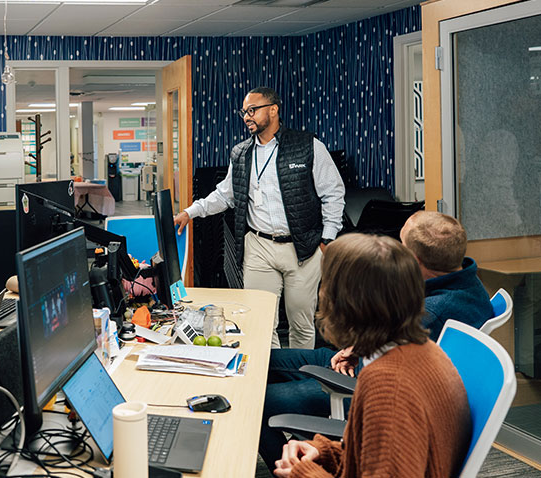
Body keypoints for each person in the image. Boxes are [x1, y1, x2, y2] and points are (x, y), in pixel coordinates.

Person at [259, 211, 492, 467]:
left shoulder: (427, 319)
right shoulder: (466, 281)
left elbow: (385, 459)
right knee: (258, 364)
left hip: (357, 380)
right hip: (366, 366)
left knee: (254, 402)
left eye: (400, 246)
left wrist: (301, 471)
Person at [174, 86, 345, 349]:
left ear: (273, 109)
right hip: (259, 246)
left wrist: (327, 239)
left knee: (301, 322)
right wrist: (190, 212)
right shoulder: (241, 153)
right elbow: (225, 196)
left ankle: (297, 371)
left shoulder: (308, 146)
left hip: (304, 247)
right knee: (262, 321)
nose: (246, 117)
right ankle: (270, 371)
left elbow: (333, 193)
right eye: (244, 112)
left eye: (252, 110)